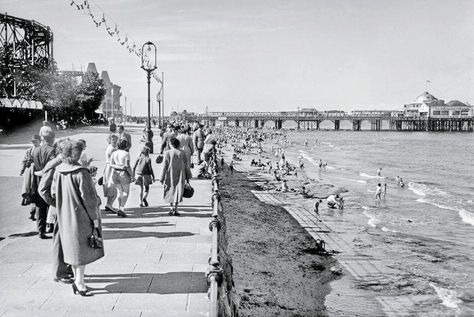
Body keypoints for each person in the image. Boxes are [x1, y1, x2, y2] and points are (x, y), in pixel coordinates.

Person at [51, 140, 104, 296]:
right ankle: (79, 283)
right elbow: (90, 199)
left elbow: (53, 193)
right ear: (76, 154)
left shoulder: (58, 171)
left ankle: (77, 280)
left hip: (64, 216)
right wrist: (95, 220)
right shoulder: (81, 172)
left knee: (73, 249)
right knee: (81, 250)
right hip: (81, 217)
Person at [38, 138, 74, 283]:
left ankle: (67, 266)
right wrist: (56, 204)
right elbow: (43, 189)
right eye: (70, 150)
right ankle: (59, 272)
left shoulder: (64, 162)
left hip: (67, 207)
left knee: (68, 239)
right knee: (59, 241)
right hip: (60, 209)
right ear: (62, 150)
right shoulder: (55, 164)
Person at [32, 130, 57, 239]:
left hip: (37, 179)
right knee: (50, 203)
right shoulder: (52, 150)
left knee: (39, 205)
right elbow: (52, 166)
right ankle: (50, 226)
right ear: (52, 139)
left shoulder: (36, 150)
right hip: (49, 178)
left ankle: (40, 230)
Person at [159, 137, 192, 216]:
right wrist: (188, 177)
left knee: (170, 190)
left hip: (170, 174)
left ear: (172, 144)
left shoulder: (167, 153)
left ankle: (171, 208)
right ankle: (176, 208)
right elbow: (186, 165)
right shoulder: (182, 153)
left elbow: (165, 166)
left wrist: (162, 178)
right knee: (178, 191)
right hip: (181, 174)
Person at [110, 139, 134, 217]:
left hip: (115, 173)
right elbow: (127, 166)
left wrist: (117, 166)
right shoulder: (126, 154)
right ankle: (122, 208)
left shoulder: (114, 153)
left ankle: (119, 207)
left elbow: (111, 164)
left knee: (119, 192)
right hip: (123, 173)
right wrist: (132, 175)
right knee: (126, 192)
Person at [20, 134, 41, 220]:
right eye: (33, 141)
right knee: (30, 191)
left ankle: (35, 212)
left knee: (36, 192)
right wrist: (22, 170)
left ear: (40, 141)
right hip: (30, 173)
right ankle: (32, 213)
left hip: (38, 172)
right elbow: (24, 160)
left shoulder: (41, 150)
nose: (34, 143)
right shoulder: (29, 150)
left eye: (36, 141)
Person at [103, 134, 118, 214]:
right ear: (109, 140)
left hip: (109, 167)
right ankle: (109, 204)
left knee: (110, 186)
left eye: (116, 140)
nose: (115, 141)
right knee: (113, 187)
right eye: (113, 140)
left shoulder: (111, 147)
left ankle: (109, 204)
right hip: (111, 167)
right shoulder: (112, 149)